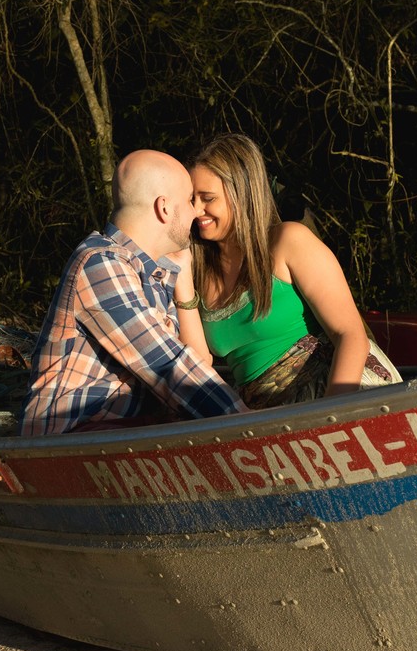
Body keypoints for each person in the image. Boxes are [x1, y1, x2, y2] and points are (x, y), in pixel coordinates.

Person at [20, 149, 247, 436]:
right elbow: (170, 367)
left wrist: (182, 277)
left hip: (124, 436)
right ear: (164, 208)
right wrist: (252, 428)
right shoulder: (100, 264)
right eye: (190, 200)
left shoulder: (151, 274)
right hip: (73, 442)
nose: (196, 211)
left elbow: (193, 364)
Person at [178, 132, 401, 410]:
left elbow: (350, 335)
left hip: (337, 393)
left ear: (242, 194)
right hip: (262, 413)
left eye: (207, 198)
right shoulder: (194, 268)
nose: (196, 210)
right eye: (191, 199)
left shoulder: (288, 241)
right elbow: (196, 363)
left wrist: (330, 415)